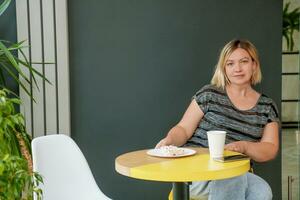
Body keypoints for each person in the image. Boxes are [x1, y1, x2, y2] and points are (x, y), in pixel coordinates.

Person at [156, 39, 280, 200]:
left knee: (262, 191)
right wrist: (170, 140)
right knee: (232, 174)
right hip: (198, 171)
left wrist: (244, 147)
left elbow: (270, 148)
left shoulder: (266, 106)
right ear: (224, 68)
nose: (237, 68)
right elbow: (184, 129)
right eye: (230, 63)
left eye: (244, 62)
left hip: (237, 172)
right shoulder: (209, 95)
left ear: (254, 65)